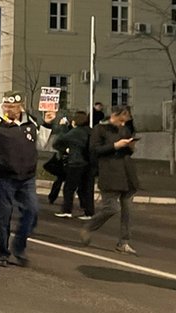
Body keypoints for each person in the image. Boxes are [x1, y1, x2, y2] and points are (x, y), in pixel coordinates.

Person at [0, 90, 54, 268]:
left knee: (32, 212)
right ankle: (3, 252)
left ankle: (19, 246)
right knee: (3, 218)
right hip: (3, 178)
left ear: (21, 106)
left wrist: (48, 124)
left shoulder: (31, 121)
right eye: (8, 106)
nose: (11, 110)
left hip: (27, 178)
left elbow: (41, 143)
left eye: (15, 107)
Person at [80, 106, 140, 255]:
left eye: (125, 120)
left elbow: (128, 151)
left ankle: (124, 242)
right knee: (112, 207)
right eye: (121, 119)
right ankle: (89, 227)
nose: (123, 123)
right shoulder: (99, 129)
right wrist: (115, 146)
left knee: (128, 212)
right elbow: (94, 150)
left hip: (127, 173)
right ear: (114, 115)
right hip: (110, 173)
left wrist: (131, 147)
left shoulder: (124, 130)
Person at [53, 112, 94, 220]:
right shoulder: (90, 131)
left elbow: (58, 141)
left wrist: (63, 127)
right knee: (87, 189)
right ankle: (89, 212)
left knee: (69, 188)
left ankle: (67, 210)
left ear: (75, 121)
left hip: (76, 162)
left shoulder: (75, 132)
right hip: (89, 163)